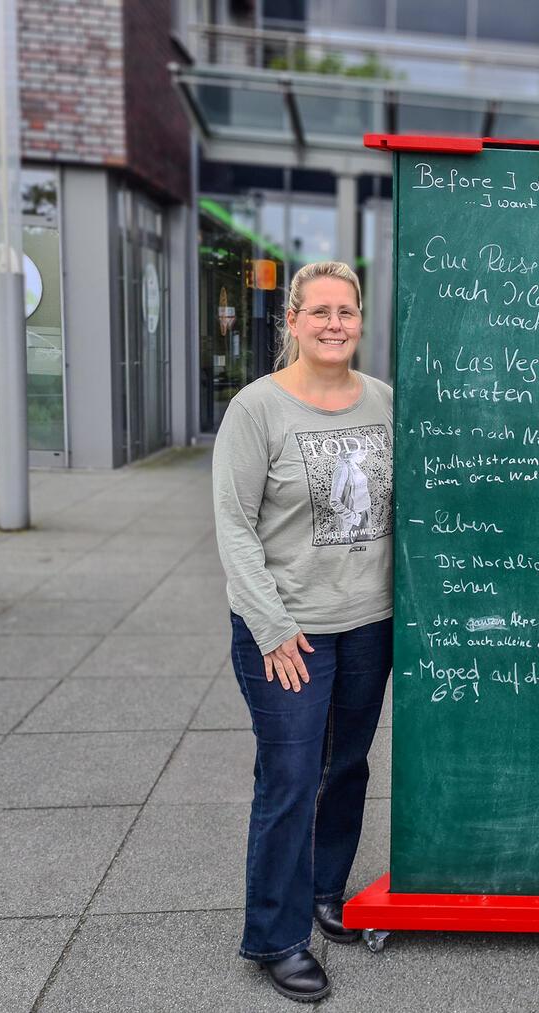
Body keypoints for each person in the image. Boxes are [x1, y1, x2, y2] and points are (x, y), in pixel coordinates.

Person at [213, 261, 393, 1002]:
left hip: (369, 626)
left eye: (345, 311)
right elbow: (232, 524)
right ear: (291, 320)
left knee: (347, 766)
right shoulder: (257, 409)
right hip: (289, 633)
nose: (332, 323)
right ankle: (276, 936)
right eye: (317, 310)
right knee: (288, 778)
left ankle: (325, 890)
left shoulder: (385, 402)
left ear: (359, 320)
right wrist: (273, 627)